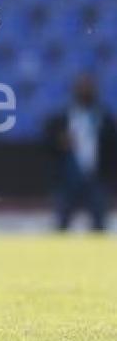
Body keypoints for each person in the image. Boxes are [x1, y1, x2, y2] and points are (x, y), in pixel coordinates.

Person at [44, 74, 115, 232]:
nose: (85, 90)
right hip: (67, 179)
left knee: (99, 226)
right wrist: (59, 142)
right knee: (61, 226)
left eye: (88, 87)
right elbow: (47, 145)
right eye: (81, 87)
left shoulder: (105, 118)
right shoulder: (60, 118)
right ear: (74, 90)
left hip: (97, 179)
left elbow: (112, 148)